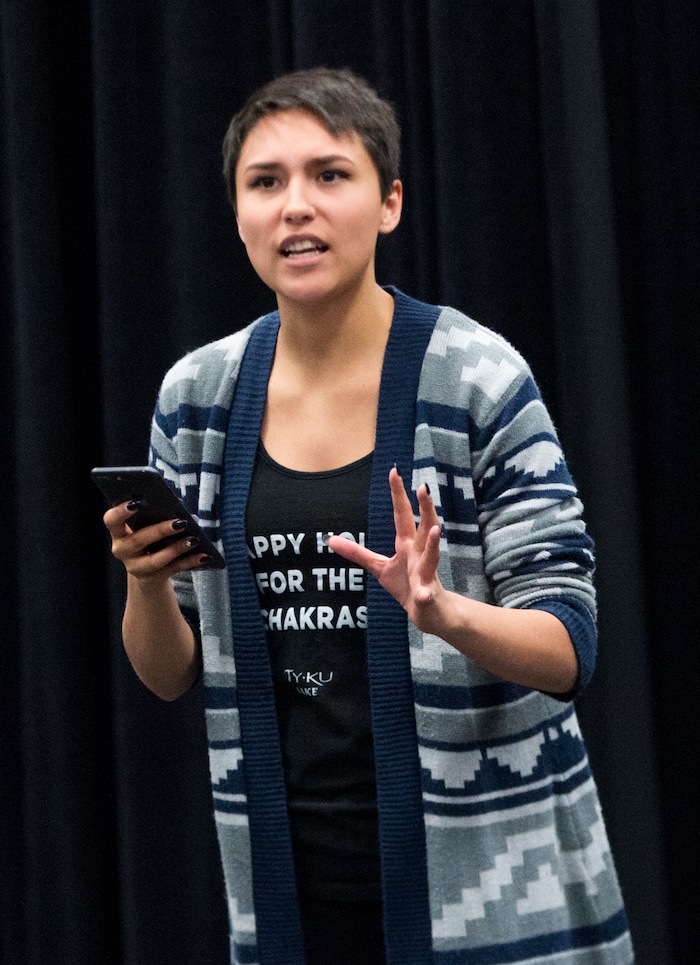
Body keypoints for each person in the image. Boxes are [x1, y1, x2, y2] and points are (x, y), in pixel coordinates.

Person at [103, 67, 634, 965]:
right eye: (265, 182)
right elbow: (170, 674)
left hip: (489, 892)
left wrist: (443, 612)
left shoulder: (477, 378)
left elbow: (571, 646)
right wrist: (145, 583)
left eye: (330, 174)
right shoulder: (197, 398)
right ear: (237, 213)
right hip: (290, 896)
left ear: (389, 203)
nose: (295, 206)